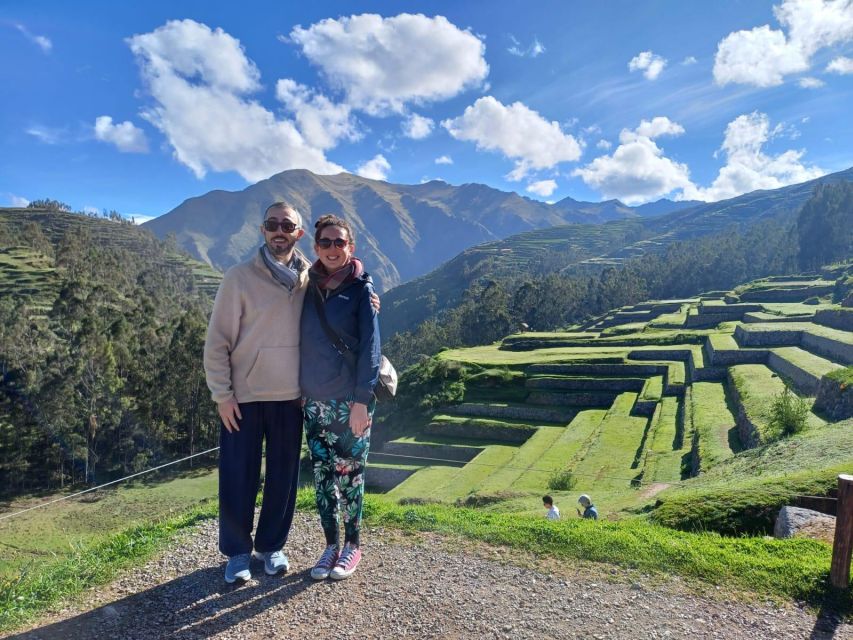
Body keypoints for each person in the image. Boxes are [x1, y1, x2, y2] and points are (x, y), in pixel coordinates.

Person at [203, 202, 309, 583]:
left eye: (287, 225)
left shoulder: (309, 280)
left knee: (283, 477)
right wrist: (222, 395)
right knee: (237, 475)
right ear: (262, 231)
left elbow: (343, 304)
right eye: (272, 224)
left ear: (299, 233)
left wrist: (371, 301)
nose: (279, 230)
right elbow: (217, 342)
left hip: (291, 397)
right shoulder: (239, 278)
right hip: (243, 398)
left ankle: (270, 547)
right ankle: (236, 553)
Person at [300, 214, 380, 581]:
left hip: (350, 402)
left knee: (350, 477)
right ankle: (330, 545)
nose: (333, 249)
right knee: (322, 477)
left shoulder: (361, 290)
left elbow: (371, 349)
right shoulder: (307, 287)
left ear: (351, 248)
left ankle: (353, 546)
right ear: (315, 248)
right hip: (314, 401)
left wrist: (362, 400)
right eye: (326, 243)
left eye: (340, 243)